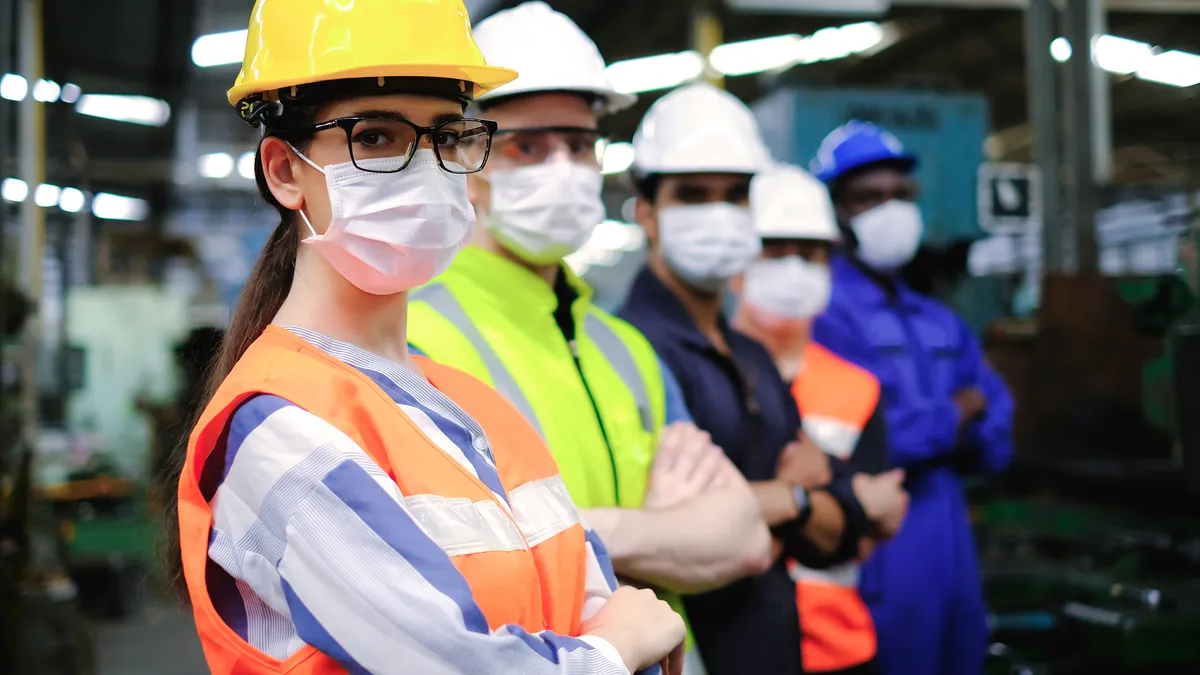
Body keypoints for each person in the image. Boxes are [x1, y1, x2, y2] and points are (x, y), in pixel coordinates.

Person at [165, 1, 687, 673]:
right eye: (377, 137)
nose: (426, 169)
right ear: (285, 171)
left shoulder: (475, 406)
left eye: (446, 137)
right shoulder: (277, 428)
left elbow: (588, 596)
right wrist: (620, 644)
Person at [406, 4, 772, 668]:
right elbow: (460, 571)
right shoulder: (415, 344)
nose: (565, 166)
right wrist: (664, 534)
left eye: (579, 144)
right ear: (464, 153)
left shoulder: (626, 348)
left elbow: (743, 536)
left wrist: (578, 531)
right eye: (529, 145)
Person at [618, 83, 906, 675]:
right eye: (693, 195)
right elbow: (675, 549)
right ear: (646, 211)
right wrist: (795, 496)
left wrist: (760, 511)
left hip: (778, 645)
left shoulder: (749, 355)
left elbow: (836, 535)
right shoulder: (627, 350)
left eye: (736, 195)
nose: (719, 215)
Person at [809, 120, 1014, 675]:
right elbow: (865, 441)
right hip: (884, 542)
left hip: (951, 532)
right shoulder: (825, 316)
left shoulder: (938, 319)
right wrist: (953, 415)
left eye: (900, 196)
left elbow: (997, 427)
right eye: (869, 198)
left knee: (961, 654)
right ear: (838, 213)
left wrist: (954, 425)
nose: (890, 209)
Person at [731, 164, 909, 675]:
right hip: (735, 641)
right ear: (740, 259)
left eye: (809, 254)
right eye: (774, 251)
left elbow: (879, 524)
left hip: (838, 647)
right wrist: (842, 494)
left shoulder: (858, 387)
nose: (792, 267)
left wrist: (790, 493)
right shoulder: (703, 374)